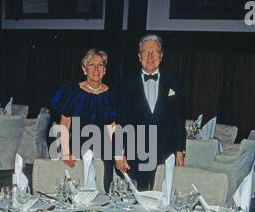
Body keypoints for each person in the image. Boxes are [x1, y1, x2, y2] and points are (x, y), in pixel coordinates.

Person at [114, 33, 186, 190]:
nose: (150, 56)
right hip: (135, 154)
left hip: (165, 152)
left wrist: (180, 150)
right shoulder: (125, 84)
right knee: (134, 199)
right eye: (146, 52)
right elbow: (119, 121)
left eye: (154, 51)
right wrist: (119, 153)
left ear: (161, 55)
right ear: (139, 56)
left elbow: (179, 119)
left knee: (163, 198)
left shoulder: (175, 81)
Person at [50, 48, 117, 192]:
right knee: (77, 189)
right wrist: (66, 152)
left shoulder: (112, 94)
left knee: (104, 188)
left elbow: (112, 127)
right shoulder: (72, 92)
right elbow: (65, 124)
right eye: (91, 65)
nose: (96, 69)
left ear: (105, 69)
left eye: (100, 65)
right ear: (84, 69)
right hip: (77, 146)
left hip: (104, 149)